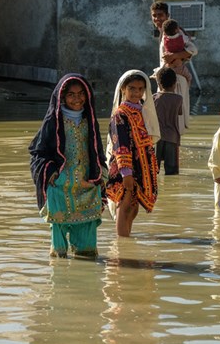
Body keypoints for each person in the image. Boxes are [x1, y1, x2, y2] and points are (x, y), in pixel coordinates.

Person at [29, 73, 107, 258]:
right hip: (60, 185)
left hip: (87, 185)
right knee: (59, 251)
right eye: (71, 94)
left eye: (81, 93)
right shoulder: (53, 121)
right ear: (62, 96)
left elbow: (97, 151)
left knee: (87, 247)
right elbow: (37, 152)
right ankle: (60, 280)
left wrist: (101, 176)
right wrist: (52, 174)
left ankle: (85, 278)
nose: (77, 98)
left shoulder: (90, 121)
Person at [105, 70, 160, 237]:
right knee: (125, 204)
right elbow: (120, 144)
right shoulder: (120, 114)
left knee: (133, 209)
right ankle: (121, 247)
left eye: (140, 89)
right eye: (132, 88)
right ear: (123, 89)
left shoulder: (143, 111)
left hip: (140, 167)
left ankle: (126, 241)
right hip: (126, 168)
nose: (137, 93)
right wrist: (126, 173)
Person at [150, 1, 197, 134]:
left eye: (160, 15)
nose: (157, 19)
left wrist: (174, 56)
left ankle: (174, 153)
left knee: (177, 120)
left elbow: (193, 49)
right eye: (154, 16)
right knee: (166, 120)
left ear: (167, 15)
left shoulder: (176, 31)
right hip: (167, 80)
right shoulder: (163, 33)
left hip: (176, 80)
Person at [153, 66, 182, 175]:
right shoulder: (179, 99)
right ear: (175, 83)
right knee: (172, 172)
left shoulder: (154, 98)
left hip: (157, 137)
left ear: (159, 84)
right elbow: (179, 113)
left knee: (154, 170)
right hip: (172, 137)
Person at [161, 19, 193, 86]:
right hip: (179, 67)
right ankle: (187, 88)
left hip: (169, 67)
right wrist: (183, 31)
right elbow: (189, 39)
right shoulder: (181, 38)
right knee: (189, 77)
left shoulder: (165, 40)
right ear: (176, 30)